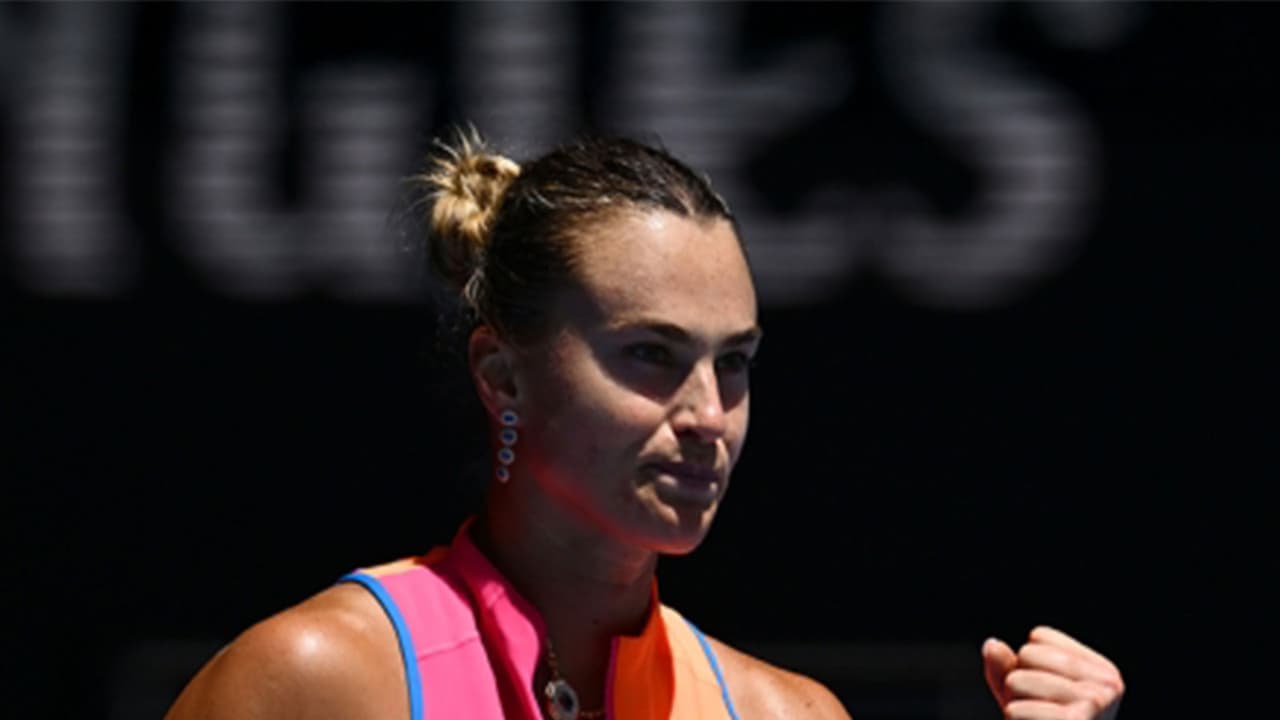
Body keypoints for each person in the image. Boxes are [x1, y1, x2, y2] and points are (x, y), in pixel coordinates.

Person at [165, 131, 1125, 720]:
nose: (710, 416)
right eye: (651, 356)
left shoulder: (786, 715)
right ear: (503, 375)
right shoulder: (316, 682)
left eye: (734, 363)